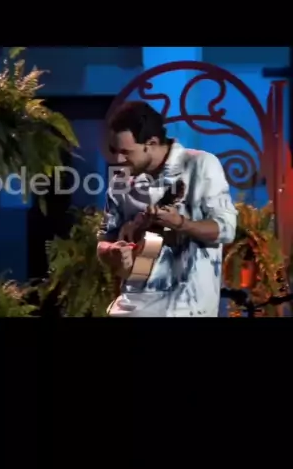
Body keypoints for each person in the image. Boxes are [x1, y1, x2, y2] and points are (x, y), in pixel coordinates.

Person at [98, 101, 237, 317]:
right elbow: (103, 240)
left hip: (185, 308)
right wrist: (112, 251)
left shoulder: (200, 165)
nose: (118, 159)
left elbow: (226, 230)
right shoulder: (119, 183)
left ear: (152, 143)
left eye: (126, 152)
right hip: (130, 307)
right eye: (114, 151)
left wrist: (181, 224)